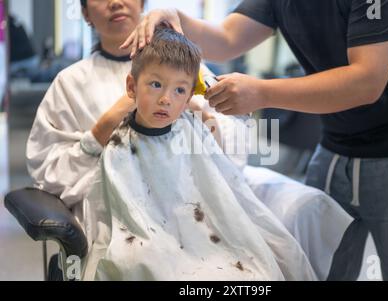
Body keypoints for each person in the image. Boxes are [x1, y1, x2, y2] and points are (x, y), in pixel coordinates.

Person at [123, 0, 388, 280]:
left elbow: (367, 80)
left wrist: (262, 93)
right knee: (318, 265)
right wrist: (174, 17)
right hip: (336, 143)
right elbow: (226, 38)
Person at [26, 0, 351, 280]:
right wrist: (109, 123)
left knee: (259, 265)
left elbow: (232, 152)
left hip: (193, 206)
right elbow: (53, 176)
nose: (115, 2)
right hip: (124, 213)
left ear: (143, 5)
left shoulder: (187, 69)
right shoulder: (69, 84)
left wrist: (209, 123)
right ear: (84, 13)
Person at [81, 27, 318, 280]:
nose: (166, 99)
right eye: (156, 84)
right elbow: (123, 214)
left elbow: (217, 174)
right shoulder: (119, 145)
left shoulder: (194, 128)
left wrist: (201, 104)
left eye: (179, 90)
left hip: (203, 232)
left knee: (256, 270)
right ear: (132, 86)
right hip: (146, 239)